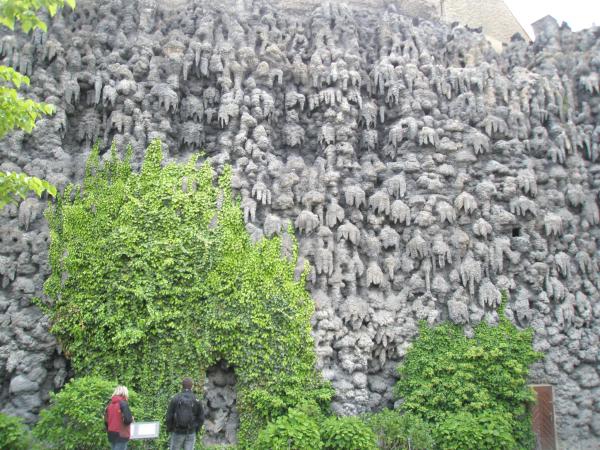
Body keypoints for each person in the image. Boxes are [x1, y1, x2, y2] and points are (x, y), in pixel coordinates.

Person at [166, 377, 204, 450]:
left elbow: (169, 416)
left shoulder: (175, 398)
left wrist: (170, 429)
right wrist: (196, 429)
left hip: (177, 431)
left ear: (182, 386)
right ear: (192, 386)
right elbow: (201, 418)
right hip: (191, 432)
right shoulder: (196, 400)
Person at [104, 385, 134, 450]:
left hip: (111, 433)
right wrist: (131, 418)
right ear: (125, 393)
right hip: (121, 434)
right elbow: (128, 420)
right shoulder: (123, 404)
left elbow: (106, 421)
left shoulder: (109, 405)